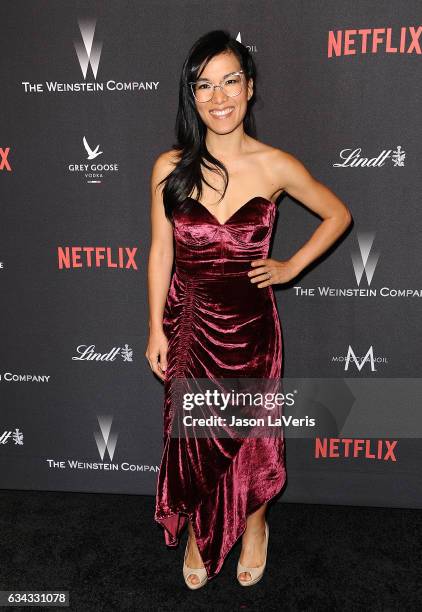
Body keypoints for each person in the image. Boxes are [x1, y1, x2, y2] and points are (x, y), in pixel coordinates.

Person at [146, 29, 352, 589]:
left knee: (255, 434)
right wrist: (152, 329)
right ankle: (196, 530)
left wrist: (291, 267)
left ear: (250, 88)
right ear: (192, 96)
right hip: (189, 324)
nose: (219, 97)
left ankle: (255, 526)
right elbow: (161, 249)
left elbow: (338, 214)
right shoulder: (171, 167)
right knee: (192, 435)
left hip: (253, 329)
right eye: (204, 85)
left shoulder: (275, 165)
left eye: (230, 81)